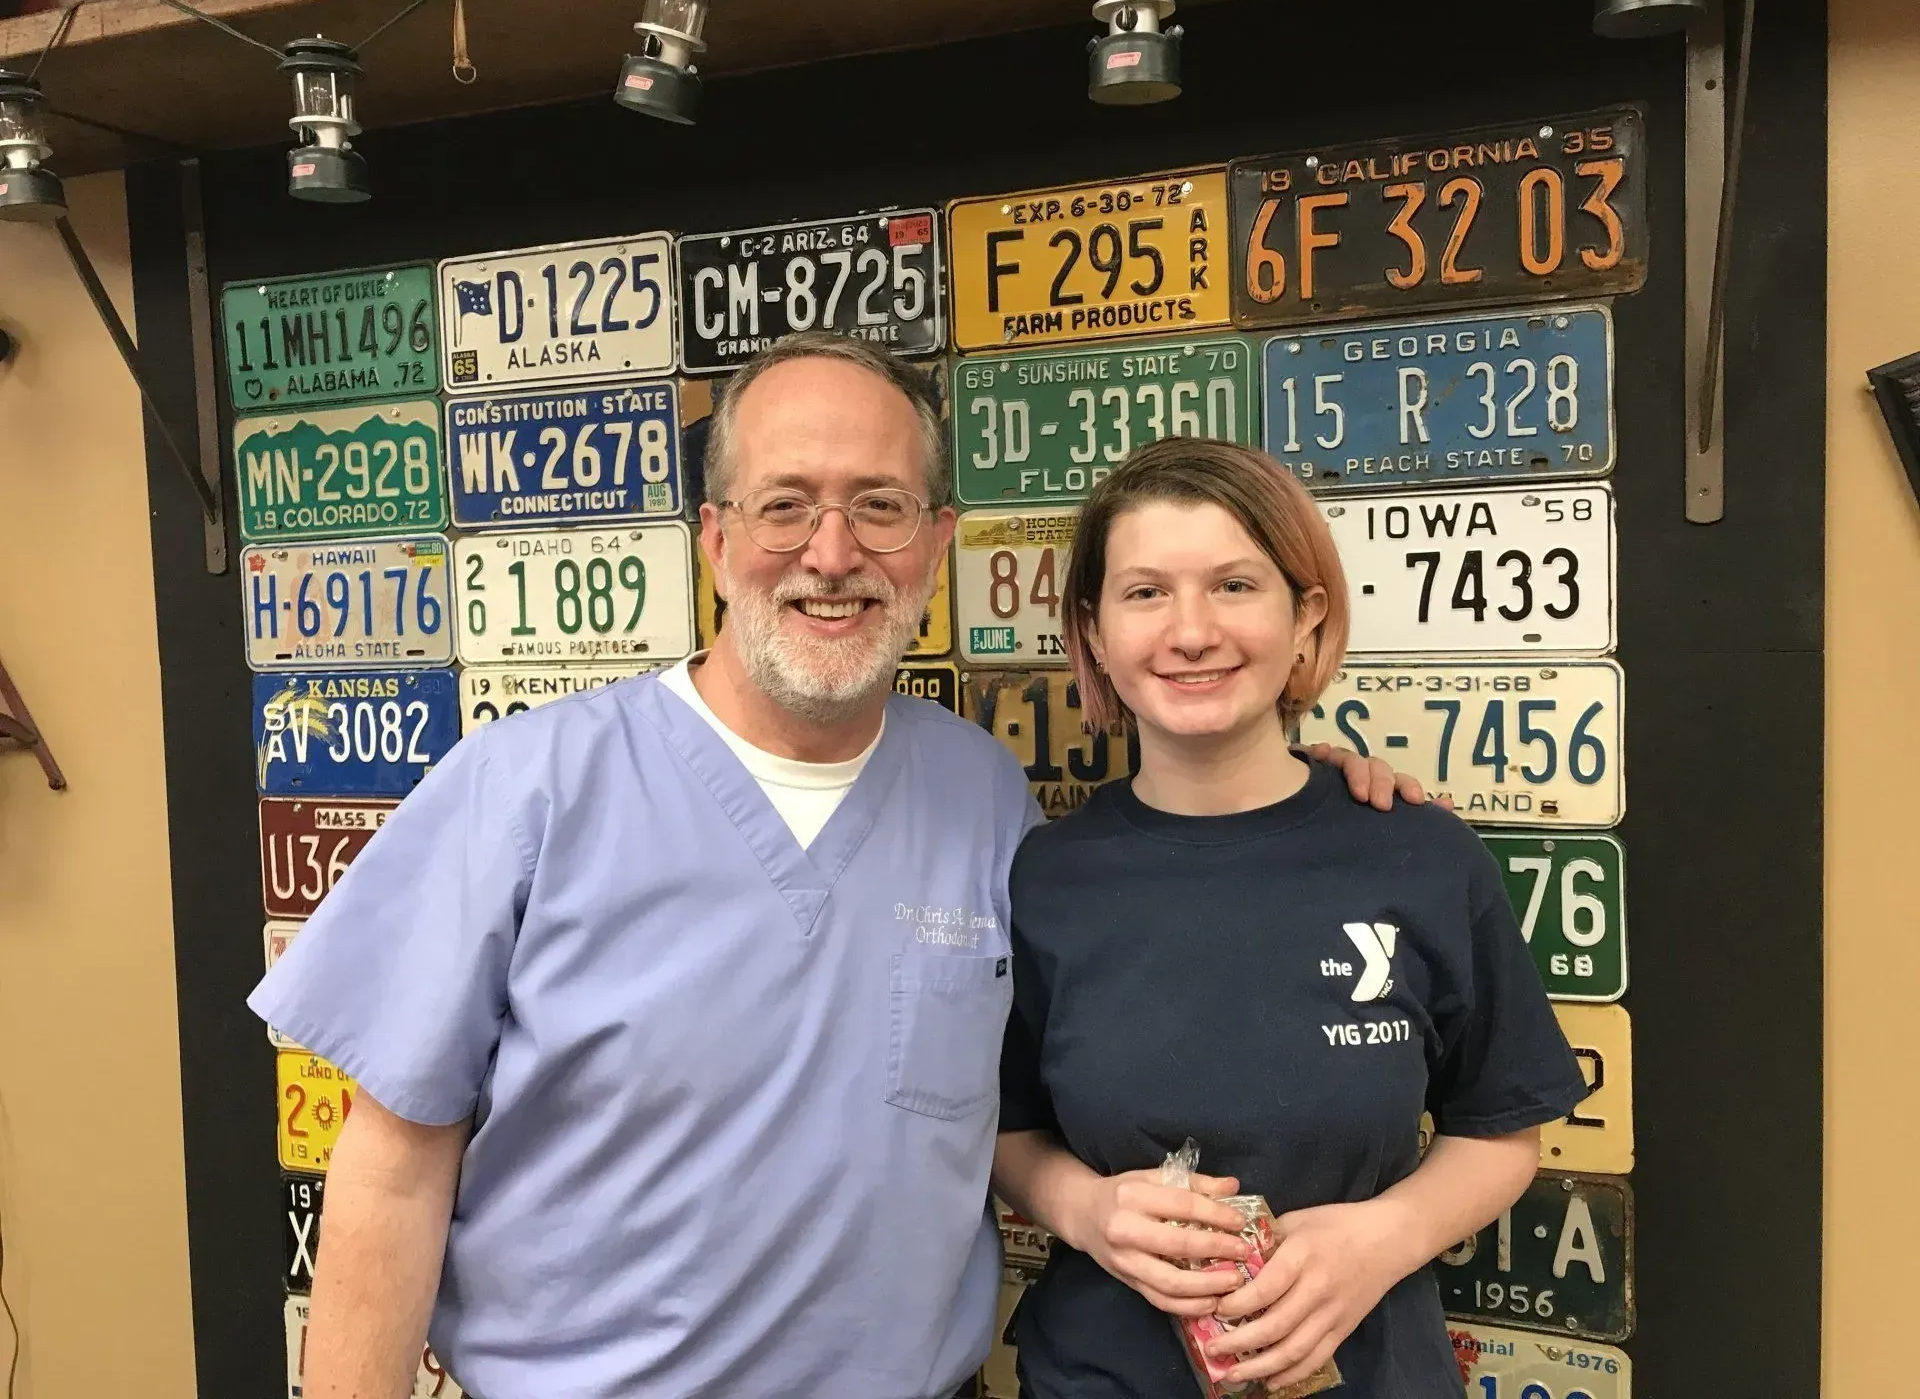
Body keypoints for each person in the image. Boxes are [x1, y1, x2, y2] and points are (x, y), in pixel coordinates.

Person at [249, 334, 1424, 1399]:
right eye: (783, 507)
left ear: (937, 545)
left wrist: (1305, 788)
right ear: (715, 541)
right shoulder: (526, 788)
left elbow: (1037, 1089)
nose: (831, 553)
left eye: (879, 507)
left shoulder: (987, 803)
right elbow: (392, 1173)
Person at [992, 437, 1591, 1398]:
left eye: (1235, 585)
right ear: (1094, 632)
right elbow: (1003, 1128)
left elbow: (1499, 1128)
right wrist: (1083, 1207)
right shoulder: (1046, 877)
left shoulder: (1421, 853)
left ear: (1305, 615)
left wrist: (1382, 1238)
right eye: (1145, 593)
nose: (1191, 632)